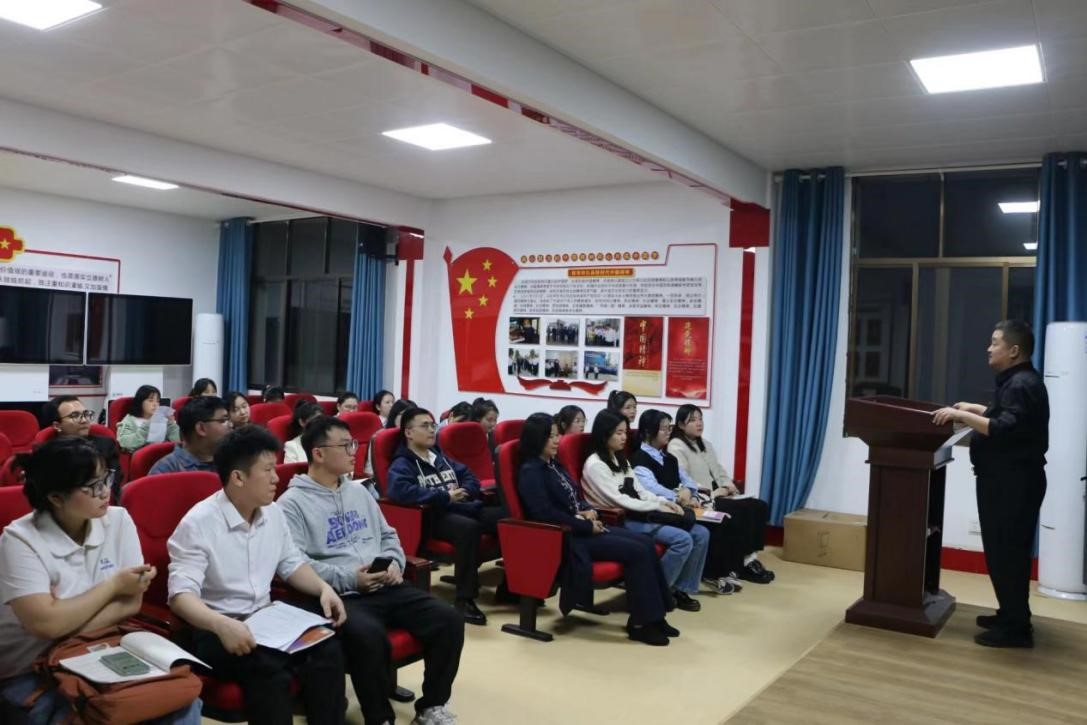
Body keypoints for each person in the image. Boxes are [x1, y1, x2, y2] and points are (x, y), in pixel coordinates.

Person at [0, 437, 202, 724]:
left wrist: (63, 621)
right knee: (88, 715)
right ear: (56, 497)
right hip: (31, 667)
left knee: (178, 703)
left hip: (97, 648)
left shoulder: (118, 520)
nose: (106, 491)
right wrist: (113, 586)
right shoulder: (19, 540)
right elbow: (45, 624)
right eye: (93, 486)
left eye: (107, 478)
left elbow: (132, 604)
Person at [279, 416, 464, 725]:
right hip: (342, 595)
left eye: (353, 443)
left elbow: (389, 535)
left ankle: (431, 706)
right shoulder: (291, 504)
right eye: (345, 445)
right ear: (318, 453)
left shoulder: (359, 492)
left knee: (449, 619)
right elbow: (296, 563)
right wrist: (350, 578)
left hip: (386, 585)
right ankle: (380, 718)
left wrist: (394, 563)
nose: (354, 451)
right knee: (369, 636)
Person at [167, 427, 348, 725]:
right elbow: (180, 595)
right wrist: (221, 624)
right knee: (270, 670)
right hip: (218, 629)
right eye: (267, 470)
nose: (277, 478)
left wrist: (322, 588)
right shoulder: (198, 523)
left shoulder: (273, 512)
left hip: (267, 620)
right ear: (238, 477)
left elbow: (291, 563)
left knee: (327, 650)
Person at [933, 320, 1049, 648]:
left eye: (995, 342)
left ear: (1014, 351)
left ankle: (1016, 629)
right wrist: (976, 409)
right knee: (1004, 553)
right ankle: (1011, 614)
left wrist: (963, 417)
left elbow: (1004, 428)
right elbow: (1009, 417)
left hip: (1012, 483)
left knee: (1007, 554)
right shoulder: (1019, 381)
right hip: (1009, 481)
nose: (989, 348)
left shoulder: (1020, 384)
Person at [517, 413, 677, 646]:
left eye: (557, 435)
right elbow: (545, 514)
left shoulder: (553, 464)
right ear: (536, 439)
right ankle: (640, 624)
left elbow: (574, 497)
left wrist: (587, 510)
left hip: (580, 527)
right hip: (566, 538)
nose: (557, 440)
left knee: (646, 543)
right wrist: (584, 524)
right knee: (638, 552)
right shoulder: (531, 471)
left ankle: (656, 616)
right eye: (550, 436)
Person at [386, 408, 507, 625]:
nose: (432, 430)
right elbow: (400, 491)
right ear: (409, 433)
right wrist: (445, 496)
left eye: (433, 425)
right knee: (468, 528)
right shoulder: (403, 463)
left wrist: (466, 491)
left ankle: (511, 587)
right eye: (425, 426)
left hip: (461, 507)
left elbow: (469, 475)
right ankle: (464, 599)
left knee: (507, 517)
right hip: (433, 516)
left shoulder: (439, 456)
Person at [581, 410, 707, 612]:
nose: (624, 437)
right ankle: (655, 595)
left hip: (639, 513)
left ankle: (679, 589)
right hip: (619, 519)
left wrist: (664, 502)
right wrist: (657, 506)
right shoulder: (596, 465)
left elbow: (640, 490)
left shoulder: (620, 459)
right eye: (618, 433)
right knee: (683, 539)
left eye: (625, 432)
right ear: (604, 434)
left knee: (701, 533)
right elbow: (620, 500)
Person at [634, 409, 750, 595]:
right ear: (648, 432)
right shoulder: (639, 459)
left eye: (669, 428)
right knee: (711, 527)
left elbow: (688, 481)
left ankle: (689, 585)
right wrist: (678, 496)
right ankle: (712, 575)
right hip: (663, 510)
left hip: (684, 506)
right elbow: (652, 488)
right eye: (663, 429)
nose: (668, 432)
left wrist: (689, 493)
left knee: (723, 519)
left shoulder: (668, 457)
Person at [668, 405, 774, 585]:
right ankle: (741, 564)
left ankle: (749, 556)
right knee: (739, 512)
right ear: (680, 425)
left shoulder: (705, 444)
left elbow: (719, 470)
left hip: (721, 493)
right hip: (704, 498)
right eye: (692, 420)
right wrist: (716, 492)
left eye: (700, 418)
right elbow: (684, 479)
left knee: (759, 506)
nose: (699, 423)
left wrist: (729, 485)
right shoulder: (676, 446)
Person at [41, 396, 122, 499]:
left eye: (86, 414)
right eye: (75, 415)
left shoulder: (105, 445)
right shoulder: (47, 453)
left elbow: (115, 480)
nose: (84, 420)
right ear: (57, 425)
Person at [149, 397, 232, 475]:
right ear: (201, 428)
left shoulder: (230, 461)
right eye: (223, 421)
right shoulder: (166, 470)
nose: (231, 425)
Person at [116, 385, 181, 453]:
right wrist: (147, 427)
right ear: (140, 402)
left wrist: (172, 425)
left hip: (163, 455)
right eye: (151, 401)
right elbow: (124, 443)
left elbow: (177, 443)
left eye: (157, 401)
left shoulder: (162, 419)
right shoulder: (130, 420)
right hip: (142, 456)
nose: (155, 404)